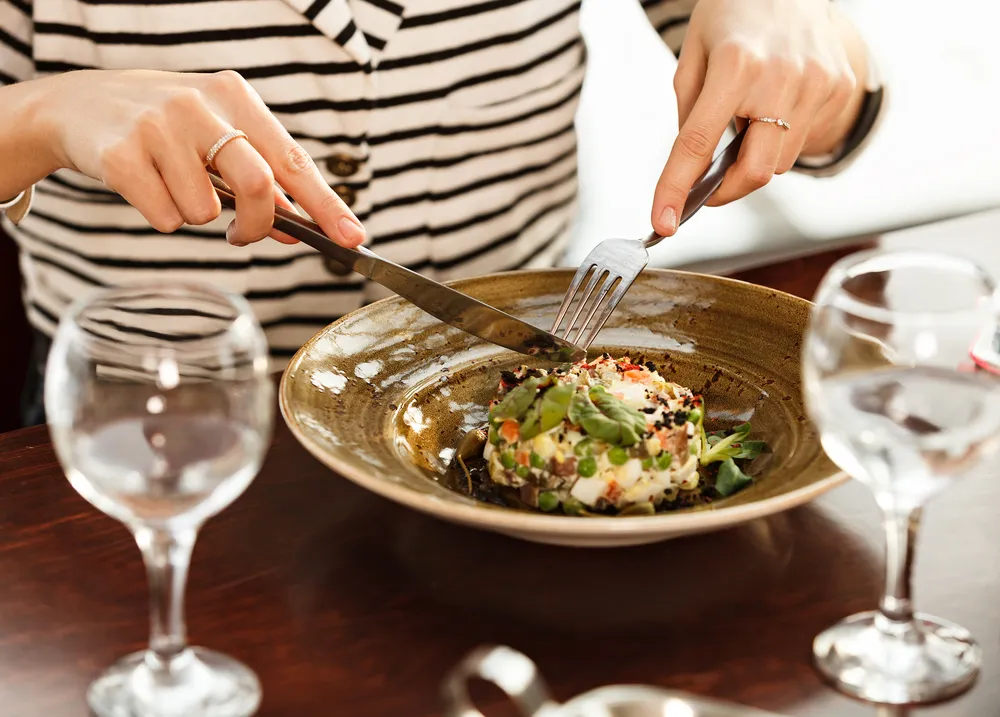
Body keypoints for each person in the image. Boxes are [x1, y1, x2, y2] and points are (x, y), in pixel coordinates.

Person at [0, 0, 883, 426]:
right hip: (150, 427)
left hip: (512, 402)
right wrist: (37, 118)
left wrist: (807, 35)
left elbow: (832, 118)